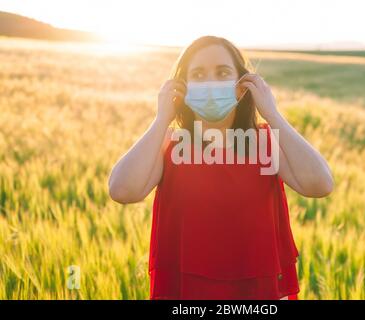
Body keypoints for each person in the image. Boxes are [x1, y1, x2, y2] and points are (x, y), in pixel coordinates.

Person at [108, 35, 334, 300]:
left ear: (241, 87)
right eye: (199, 75)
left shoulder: (265, 142)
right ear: (183, 88)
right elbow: (122, 190)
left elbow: (320, 184)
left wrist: (272, 114)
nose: (211, 83)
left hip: (258, 291)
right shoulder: (168, 144)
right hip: (186, 292)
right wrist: (161, 120)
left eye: (223, 73)